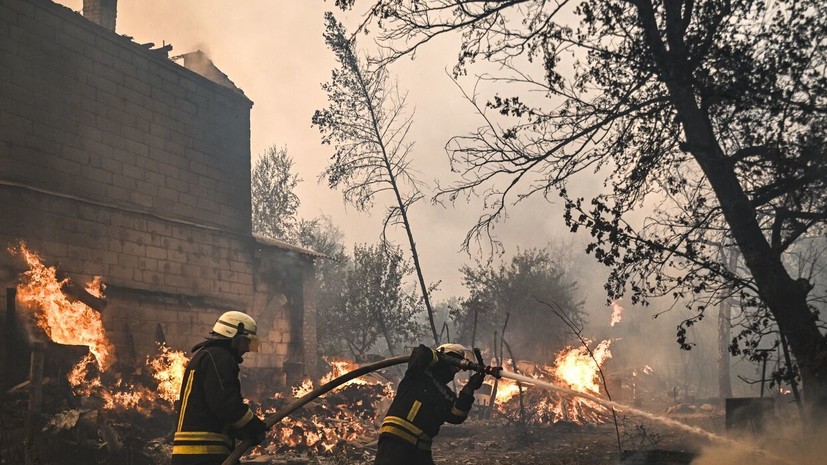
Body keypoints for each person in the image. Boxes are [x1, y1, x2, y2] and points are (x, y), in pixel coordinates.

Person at [171, 310, 268, 465]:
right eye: (246, 342)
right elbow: (225, 403)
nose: (248, 349)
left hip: (197, 453)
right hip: (203, 454)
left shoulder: (208, 356)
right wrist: (253, 425)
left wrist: (239, 431)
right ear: (233, 336)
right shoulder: (218, 357)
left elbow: (212, 406)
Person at [374, 343, 486, 465]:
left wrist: (469, 388)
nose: (455, 370)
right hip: (396, 441)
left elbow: (457, 416)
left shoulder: (446, 394)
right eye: (454, 363)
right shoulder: (418, 372)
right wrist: (440, 357)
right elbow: (421, 352)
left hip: (421, 449)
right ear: (443, 358)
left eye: (457, 369)